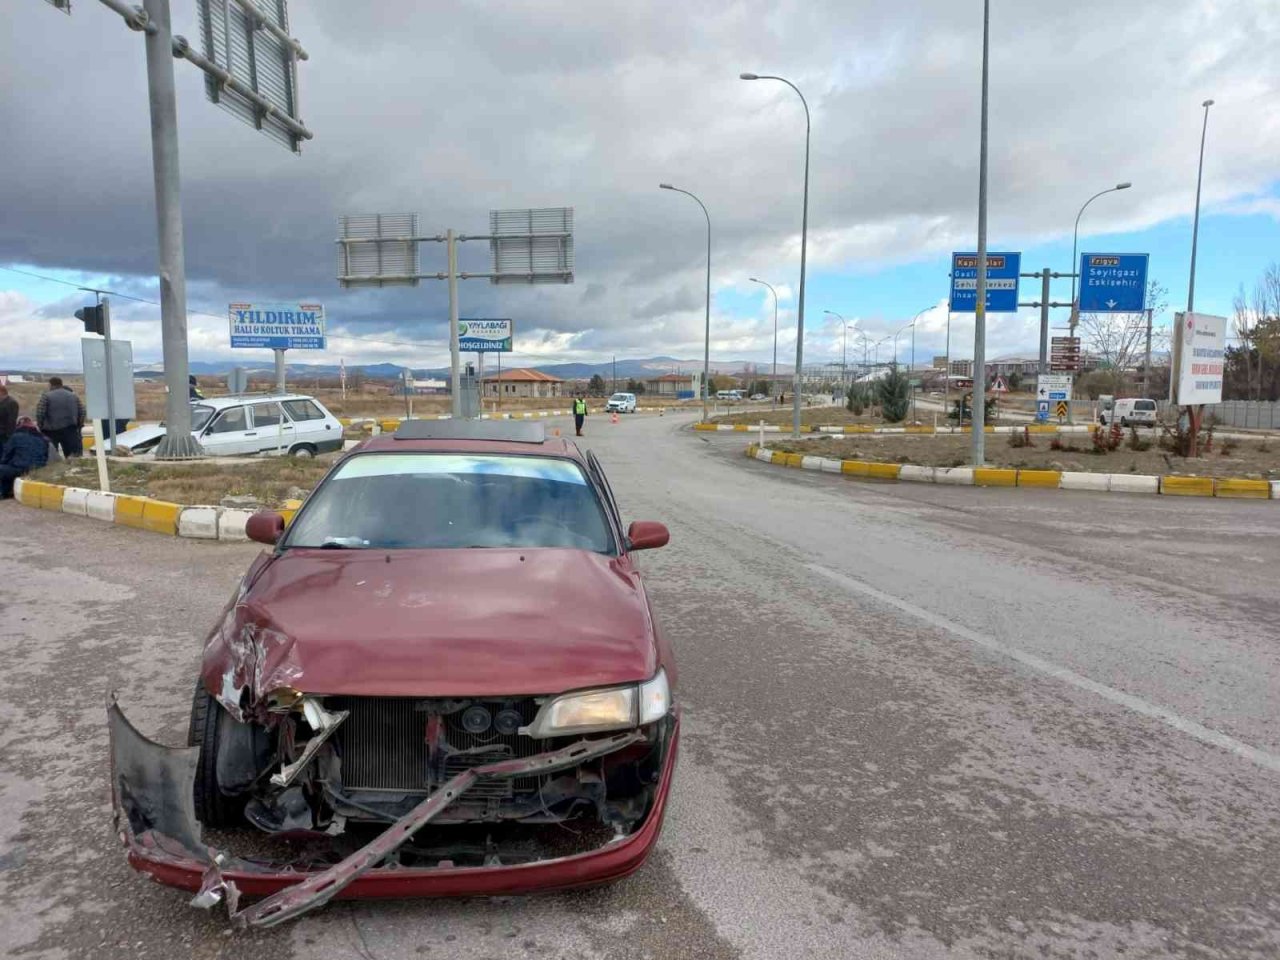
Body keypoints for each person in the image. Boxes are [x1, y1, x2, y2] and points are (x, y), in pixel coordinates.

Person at [0, 417, 49, 499]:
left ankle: (4, 492)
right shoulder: (43, 439)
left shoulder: (16, 437)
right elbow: (45, 456)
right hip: (38, 469)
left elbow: (6, 456)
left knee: (4, 469)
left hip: (21, 468)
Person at [36, 377, 85, 458]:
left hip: (51, 431)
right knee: (72, 457)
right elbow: (82, 411)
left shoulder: (46, 396)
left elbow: (40, 413)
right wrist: (79, 425)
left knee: (51, 456)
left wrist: (40, 426)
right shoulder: (73, 396)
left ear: (51, 385)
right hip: (70, 429)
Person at [0, 384, 17, 450]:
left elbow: (11, 420)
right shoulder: (2, 401)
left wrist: (9, 435)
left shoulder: (11, 403)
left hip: (5, 434)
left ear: (2, 392)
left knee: (5, 452)